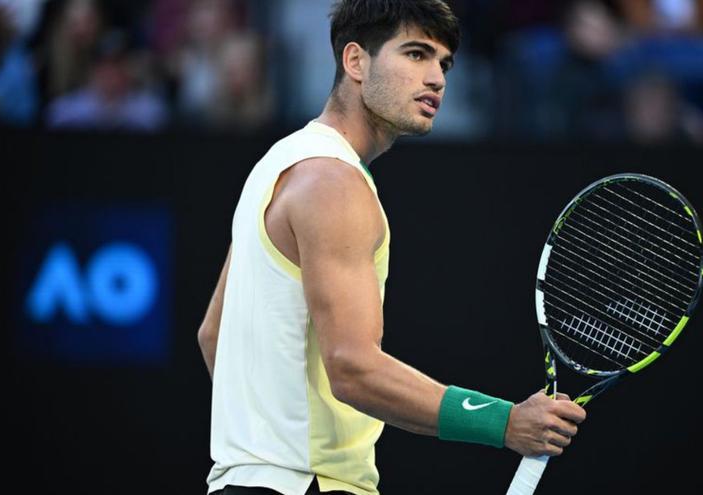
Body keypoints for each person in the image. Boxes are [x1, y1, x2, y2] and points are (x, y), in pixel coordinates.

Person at [197, 2, 586, 494]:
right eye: (416, 54)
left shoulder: (278, 165)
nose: (437, 78)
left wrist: (265, 437)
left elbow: (215, 334)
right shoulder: (334, 184)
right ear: (355, 61)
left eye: (443, 63)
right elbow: (354, 368)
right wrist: (504, 422)